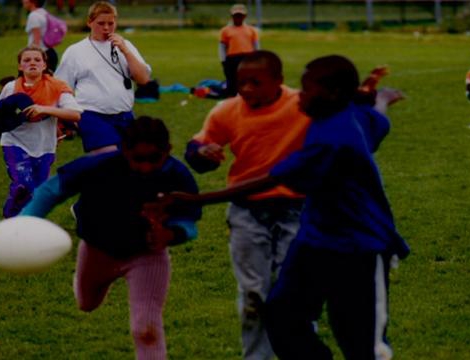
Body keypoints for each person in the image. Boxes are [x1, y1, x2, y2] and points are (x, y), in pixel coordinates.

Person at [153, 55, 409, 360]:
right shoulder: (338, 112)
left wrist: (197, 200)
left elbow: (273, 178)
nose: (299, 95)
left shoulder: (333, 137)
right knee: (282, 315)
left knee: (357, 338)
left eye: (307, 89)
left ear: (331, 94)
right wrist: (379, 98)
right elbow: (377, 122)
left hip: (359, 248)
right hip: (314, 239)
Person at [21, 116, 202, 360]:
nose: (146, 166)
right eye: (138, 158)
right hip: (97, 249)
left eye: (154, 158)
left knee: (145, 329)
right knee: (87, 304)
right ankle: (91, 281)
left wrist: (171, 233)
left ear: (167, 150)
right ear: (124, 150)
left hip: (146, 255)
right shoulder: (99, 166)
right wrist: (25, 221)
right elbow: (51, 190)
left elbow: (190, 221)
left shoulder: (176, 175)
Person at [184, 50, 310, 360]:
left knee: (294, 292)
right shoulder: (226, 111)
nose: (247, 89)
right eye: (241, 83)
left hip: (299, 210)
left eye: (256, 82)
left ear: (279, 81)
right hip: (246, 212)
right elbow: (196, 149)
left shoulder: (304, 106)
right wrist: (202, 154)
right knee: (254, 294)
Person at [55, 1, 151, 154]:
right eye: (101, 23)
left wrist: (125, 50)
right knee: (108, 159)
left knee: (130, 164)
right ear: (89, 22)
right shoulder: (75, 51)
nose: (106, 28)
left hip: (124, 115)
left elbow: (144, 79)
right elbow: (60, 88)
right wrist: (64, 119)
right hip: (91, 115)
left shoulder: (126, 46)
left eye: (110, 23)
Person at [0, 46, 81, 218]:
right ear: (20, 66)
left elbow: (76, 114)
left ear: (44, 65)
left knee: (36, 192)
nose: (32, 63)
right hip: (14, 142)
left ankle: (26, 222)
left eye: (37, 59)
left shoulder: (58, 87)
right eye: (26, 60)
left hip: (45, 146)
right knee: (23, 185)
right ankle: (10, 216)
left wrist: (45, 110)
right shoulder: (11, 88)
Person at [219, 3, 259, 97]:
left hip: (248, 58)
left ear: (244, 16)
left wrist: (257, 58)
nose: (238, 18)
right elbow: (222, 47)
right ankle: (232, 97)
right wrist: (223, 60)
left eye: (240, 15)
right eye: (236, 15)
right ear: (232, 16)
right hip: (232, 58)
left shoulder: (251, 30)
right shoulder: (226, 30)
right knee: (232, 80)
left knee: (248, 79)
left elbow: (256, 45)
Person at [22, 0, 59, 72]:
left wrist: (31, 58)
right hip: (50, 52)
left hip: (42, 54)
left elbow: (36, 40)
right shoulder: (43, 12)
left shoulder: (33, 16)